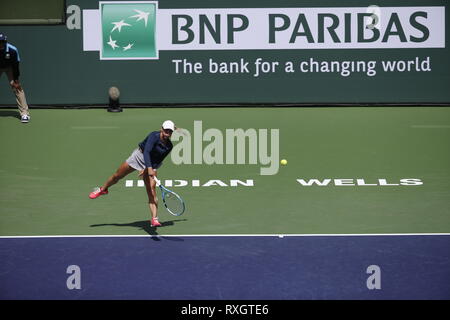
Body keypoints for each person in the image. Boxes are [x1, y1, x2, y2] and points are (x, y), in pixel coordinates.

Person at [89, 120, 175, 227]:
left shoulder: (169, 146)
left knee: (152, 190)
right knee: (117, 176)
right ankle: (103, 189)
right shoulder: (154, 135)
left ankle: (154, 219)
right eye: (166, 130)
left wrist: (148, 168)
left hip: (151, 164)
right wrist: (147, 167)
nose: (168, 133)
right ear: (161, 129)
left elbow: (158, 159)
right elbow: (147, 151)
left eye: (170, 131)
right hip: (138, 156)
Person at [0, 33, 30, 123]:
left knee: (17, 88)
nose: (0, 44)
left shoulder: (13, 50)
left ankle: (24, 114)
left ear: (5, 42)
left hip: (10, 68)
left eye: (2, 42)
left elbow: (15, 66)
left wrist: (16, 81)